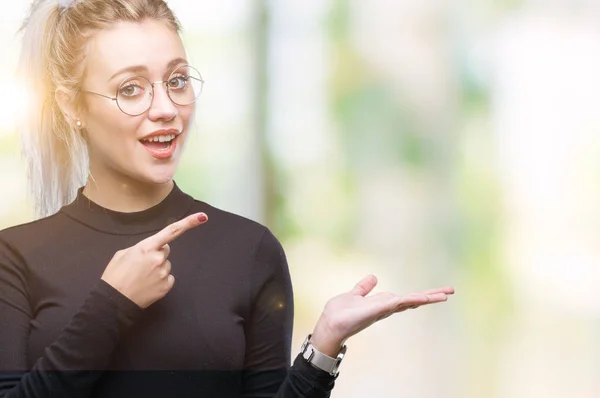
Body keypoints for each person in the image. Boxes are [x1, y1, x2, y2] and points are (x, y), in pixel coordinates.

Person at [0, 0, 454, 397]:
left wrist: (324, 345)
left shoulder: (249, 250)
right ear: (71, 106)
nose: (165, 108)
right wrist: (110, 304)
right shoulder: (15, 259)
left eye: (177, 80)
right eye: (130, 89)